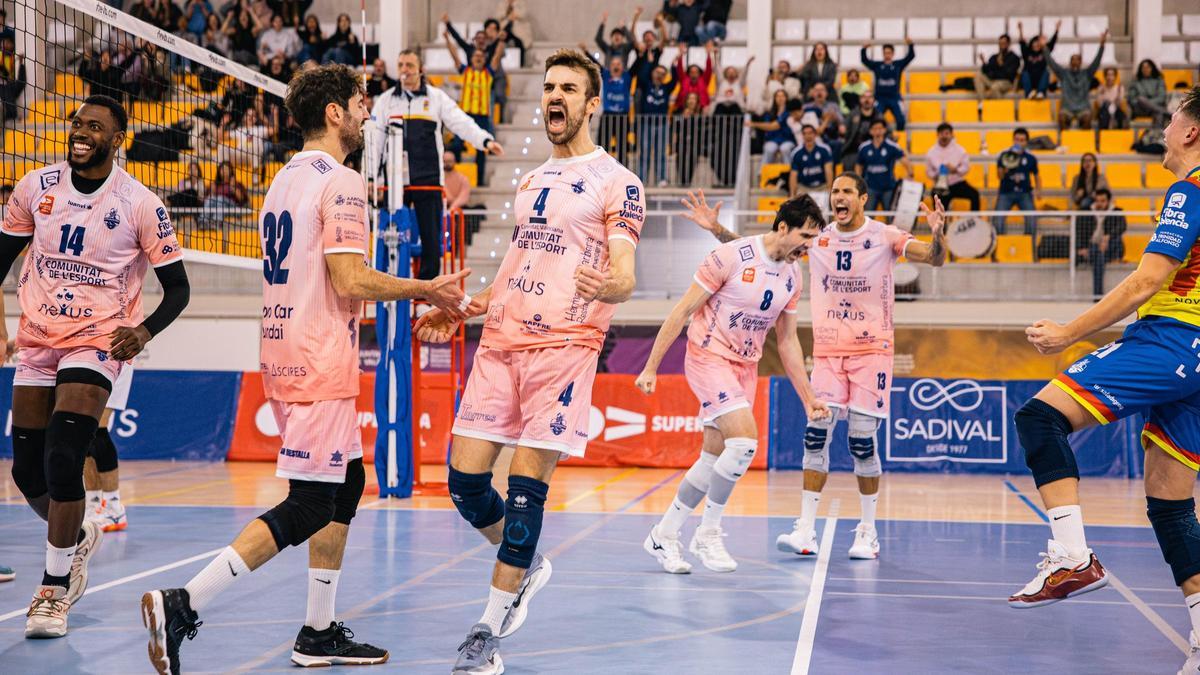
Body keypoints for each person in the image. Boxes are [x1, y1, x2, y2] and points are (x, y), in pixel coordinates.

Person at [141, 64, 471, 674]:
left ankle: (317, 632)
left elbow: (328, 277)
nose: (368, 111)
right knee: (312, 503)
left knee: (346, 486)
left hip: (287, 345)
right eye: (360, 102)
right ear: (334, 114)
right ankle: (183, 601)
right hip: (317, 357)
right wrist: (427, 288)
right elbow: (349, 278)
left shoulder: (283, 180)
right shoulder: (341, 182)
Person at [413, 48, 645, 675]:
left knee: (523, 492)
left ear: (592, 104)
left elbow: (624, 273)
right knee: (463, 484)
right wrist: (467, 307)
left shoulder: (617, 181)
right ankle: (528, 566)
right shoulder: (532, 182)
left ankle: (487, 630)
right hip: (501, 344)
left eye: (568, 88)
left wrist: (611, 288)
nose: (554, 97)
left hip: (565, 348)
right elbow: (518, 267)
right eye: (548, 87)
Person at [1011, 92, 1200, 675]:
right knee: (1171, 506)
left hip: (1172, 341)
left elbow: (1147, 280)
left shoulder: (1190, 190)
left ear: (1191, 133)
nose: (1165, 130)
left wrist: (1069, 332)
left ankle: (1072, 555)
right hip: (1186, 355)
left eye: (1172, 121)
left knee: (1039, 417)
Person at [1, 95, 191, 638]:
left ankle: (53, 590)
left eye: (95, 127)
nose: (81, 132)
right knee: (26, 473)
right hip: (37, 338)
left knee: (65, 457)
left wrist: (143, 331)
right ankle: (77, 536)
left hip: (98, 341)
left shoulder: (139, 203)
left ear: (117, 139)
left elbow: (178, 290)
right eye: (77, 123)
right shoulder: (35, 188)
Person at [694, 174, 948, 560]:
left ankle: (867, 532)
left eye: (847, 191)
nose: (838, 197)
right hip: (829, 352)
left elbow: (934, 258)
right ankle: (805, 530)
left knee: (862, 441)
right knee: (816, 435)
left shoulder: (885, 236)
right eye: (834, 192)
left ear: (863, 198)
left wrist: (938, 234)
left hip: (871, 351)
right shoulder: (818, 238)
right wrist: (716, 230)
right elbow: (767, 249)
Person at [640, 193, 831, 574]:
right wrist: (650, 367)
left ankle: (664, 533)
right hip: (708, 356)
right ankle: (708, 533)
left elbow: (788, 341)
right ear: (782, 228)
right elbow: (681, 312)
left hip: (745, 366)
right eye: (806, 237)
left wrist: (808, 398)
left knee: (712, 458)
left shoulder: (793, 275)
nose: (809, 248)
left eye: (814, 240)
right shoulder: (729, 257)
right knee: (744, 443)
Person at [369, 49, 502, 280]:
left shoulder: (436, 98)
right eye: (401, 64)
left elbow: (461, 122)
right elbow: (375, 143)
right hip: (395, 183)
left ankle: (426, 296)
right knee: (393, 239)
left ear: (421, 69)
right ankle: (393, 290)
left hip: (428, 181)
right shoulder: (385, 101)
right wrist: (371, 178)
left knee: (431, 241)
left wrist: (485, 140)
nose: (404, 70)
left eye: (410, 65)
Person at [446, 28, 505, 186]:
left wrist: (501, 42)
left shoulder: (489, 73)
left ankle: (478, 181)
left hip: (483, 116)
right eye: (476, 56)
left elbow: (497, 57)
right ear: (471, 59)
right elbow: (454, 56)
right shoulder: (465, 71)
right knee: (457, 144)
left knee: (482, 150)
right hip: (465, 115)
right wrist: (447, 39)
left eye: (481, 56)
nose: (478, 58)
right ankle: (454, 177)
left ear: (484, 59)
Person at [83, 366, 133, 532]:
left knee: (98, 430)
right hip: (89, 359)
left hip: (114, 359)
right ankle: (93, 505)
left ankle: (114, 508)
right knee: (85, 432)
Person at [1074, 188, 1126, 297]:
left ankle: (1097, 296)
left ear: (1108, 201)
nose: (1099, 204)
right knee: (1099, 256)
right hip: (1093, 247)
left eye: (1102, 201)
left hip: (1110, 247)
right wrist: (1081, 247)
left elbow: (1122, 226)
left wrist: (1108, 237)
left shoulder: (1117, 211)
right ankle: (1098, 296)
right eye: (1097, 201)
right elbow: (1079, 230)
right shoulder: (1086, 212)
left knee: (1103, 251)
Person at [1048, 34, 1107, 131]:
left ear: (1081, 62)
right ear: (1070, 62)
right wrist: (1044, 49)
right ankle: (1065, 141)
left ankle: (1083, 142)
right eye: (1073, 60)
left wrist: (1102, 46)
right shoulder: (1064, 74)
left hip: (1083, 108)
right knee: (1061, 118)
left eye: (1077, 60)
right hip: (1067, 108)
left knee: (1088, 118)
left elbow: (1097, 62)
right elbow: (1051, 63)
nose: (1075, 62)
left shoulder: (1087, 74)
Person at [993, 127, 1041, 235]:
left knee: (1032, 219)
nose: (1019, 142)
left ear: (1026, 142)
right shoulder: (1004, 155)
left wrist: (1038, 190)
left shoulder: (1031, 158)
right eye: (1016, 139)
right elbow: (999, 176)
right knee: (997, 220)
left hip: (1025, 193)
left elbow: (1037, 175)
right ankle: (1000, 247)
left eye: (1022, 140)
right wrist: (1006, 167)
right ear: (1013, 140)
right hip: (1006, 192)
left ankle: (1029, 247)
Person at [856, 118, 910, 211]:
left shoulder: (892, 146)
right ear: (870, 131)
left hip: (888, 188)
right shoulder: (864, 147)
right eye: (874, 128)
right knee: (868, 217)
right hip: (870, 188)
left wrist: (910, 175)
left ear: (885, 130)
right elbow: (858, 165)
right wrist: (858, 182)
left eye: (880, 128)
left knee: (891, 216)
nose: (877, 131)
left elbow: (906, 162)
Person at [861, 38, 915, 131]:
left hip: (895, 98)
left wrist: (910, 45)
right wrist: (864, 49)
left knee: (901, 120)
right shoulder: (877, 65)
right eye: (885, 53)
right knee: (875, 119)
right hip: (880, 98)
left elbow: (910, 57)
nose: (887, 55)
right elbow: (865, 60)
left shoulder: (898, 65)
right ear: (883, 53)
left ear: (893, 54)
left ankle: (898, 140)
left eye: (889, 53)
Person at [925, 122, 980, 211]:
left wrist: (956, 170)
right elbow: (928, 172)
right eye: (941, 134)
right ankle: (940, 224)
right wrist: (937, 173)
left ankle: (974, 222)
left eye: (947, 133)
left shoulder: (960, 150)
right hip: (940, 185)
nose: (944, 136)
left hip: (957, 183)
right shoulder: (931, 152)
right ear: (937, 135)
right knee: (937, 201)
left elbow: (966, 167)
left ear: (951, 134)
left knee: (974, 194)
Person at [637, 64, 673, 186]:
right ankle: (641, 178)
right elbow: (640, 77)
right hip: (646, 123)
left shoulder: (666, 88)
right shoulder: (646, 85)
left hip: (662, 124)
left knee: (661, 152)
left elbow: (676, 79)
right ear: (652, 73)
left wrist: (674, 63)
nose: (659, 75)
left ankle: (661, 178)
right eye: (657, 72)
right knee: (645, 152)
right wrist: (650, 64)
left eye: (662, 74)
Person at [749, 90, 795, 176]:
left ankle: (789, 174)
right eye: (778, 96)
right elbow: (767, 127)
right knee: (769, 148)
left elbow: (773, 126)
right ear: (774, 99)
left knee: (785, 149)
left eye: (782, 96)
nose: (780, 98)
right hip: (773, 139)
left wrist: (753, 124)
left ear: (786, 98)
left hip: (787, 139)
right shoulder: (770, 113)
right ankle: (762, 174)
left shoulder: (789, 113)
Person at [840, 88, 885, 172]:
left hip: (872, 149)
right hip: (853, 150)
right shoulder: (853, 114)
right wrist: (842, 129)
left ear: (873, 100)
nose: (867, 100)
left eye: (869, 97)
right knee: (849, 168)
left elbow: (887, 132)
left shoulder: (879, 116)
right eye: (864, 97)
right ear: (860, 100)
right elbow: (844, 128)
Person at [1017, 20, 1059, 100]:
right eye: (1034, 43)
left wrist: (1056, 30)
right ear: (1031, 44)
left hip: (1040, 79)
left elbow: (1052, 43)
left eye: (1038, 43)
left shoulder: (1044, 52)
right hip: (1029, 79)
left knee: (1046, 72)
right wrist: (1020, 30)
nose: (1036, 45)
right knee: (1024, 73)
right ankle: (1029, 93)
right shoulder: (1027, 53)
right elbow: (1022, 43)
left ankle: (1040, 92)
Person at [789, 124, 834, 196]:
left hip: (822, 186)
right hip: (804, 187)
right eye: (805, 134)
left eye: (810, 133)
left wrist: (830, 189)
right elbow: (793, 175)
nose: (808, 136)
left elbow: (828, 171)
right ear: (802, 136)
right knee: (798, 203)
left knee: (827, 201)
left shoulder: (824, 149)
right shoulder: (796, 153)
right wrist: (792, 195)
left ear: (815, 134)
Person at [975, 34, 1021, 101]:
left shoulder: (1014, 58)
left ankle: (1000, 108)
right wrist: (983, 62)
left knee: (995, 87)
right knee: (978, 75)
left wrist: (1001, 65)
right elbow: (987, 70)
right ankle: (982, 102)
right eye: (1000, 43)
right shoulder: (994, 57)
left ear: (1008, 44)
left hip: (1006, 82)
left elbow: (1009, 74)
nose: (1001, 45)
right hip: (994, 80)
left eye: (1004, 43)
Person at [673, 41, 715, 113]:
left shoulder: (704, 80)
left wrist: (708, 54)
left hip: (701, 109)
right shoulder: (684, 79)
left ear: (699, 73)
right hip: (683, 108)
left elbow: (709, 69)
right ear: (688, 73)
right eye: (691, 72)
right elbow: (679, 68)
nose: (694, 74)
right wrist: (680, 54)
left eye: (696, 72)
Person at [1128, 59, 1169, 128]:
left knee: (1159, 114)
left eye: (1148, 67)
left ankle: (1156, 137)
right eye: (1143, 68)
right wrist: (1143, 103)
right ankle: (1167, 113)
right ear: (1140, 69)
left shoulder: (1159, 80)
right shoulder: (1136, 82)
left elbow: (1162, 97)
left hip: (1154, 109)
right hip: (1140, 110)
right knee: (1141, 99)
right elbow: (1132, 99)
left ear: (1152, 68)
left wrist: (1148, 104)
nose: (1145, 69)